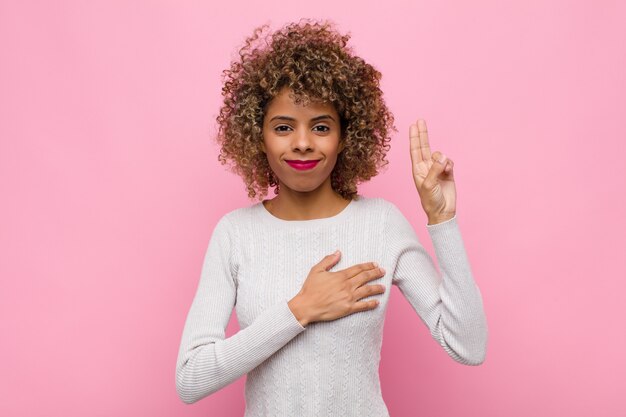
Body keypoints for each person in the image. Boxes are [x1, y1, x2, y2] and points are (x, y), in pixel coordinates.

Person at [175, 18, 488, 416]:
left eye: (321, 126)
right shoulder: (236, 234)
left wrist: (442, 222)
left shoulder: (382, 224)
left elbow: (468, 345)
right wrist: (300, 310)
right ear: (258, 136)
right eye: (284, 127)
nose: (303, 143)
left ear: (346, 135)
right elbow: (190, 377)